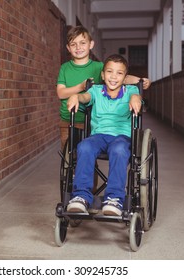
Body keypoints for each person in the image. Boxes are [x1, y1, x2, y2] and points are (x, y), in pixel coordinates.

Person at [66, 54, 142, 216]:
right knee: (84, 146)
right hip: (99, 136)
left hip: (122, 136)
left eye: (119, 73)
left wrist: (136, 98)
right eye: (109, 72)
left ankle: (114, 198)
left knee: (119, 150)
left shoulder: (131, 90)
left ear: (125, 77)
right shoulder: (96, 91)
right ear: (102, 75)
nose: (113, 77)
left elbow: (136, 96)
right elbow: (85, 97)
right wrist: (76, 96)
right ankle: (81, 196)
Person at [56, 25, 150, 150]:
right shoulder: (65, 68)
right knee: (69, 155)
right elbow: (61, 93)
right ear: (68, 48)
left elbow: (118, 77)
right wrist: (81, 87)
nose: (78, 47)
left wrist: (139, 80)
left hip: (93, 119)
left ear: (91, 44)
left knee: (90, 150)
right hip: (70, 117)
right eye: (73, 44)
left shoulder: (99, 66)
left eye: (82, 43)